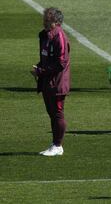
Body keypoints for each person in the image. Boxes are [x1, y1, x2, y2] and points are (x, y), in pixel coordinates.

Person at [30, 8, 70, 156]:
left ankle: (58, 145)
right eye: (44, 20)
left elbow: (61, 63)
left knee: (57, 113)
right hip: (49, 81)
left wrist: (40, 71)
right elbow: (47, 59)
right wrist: (39, 66)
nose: (45, 23)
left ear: (57, 22)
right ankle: (55, 144)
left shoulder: (59, 36)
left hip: (57, 83)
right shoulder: (45, 35)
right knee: (52, 113)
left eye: (48, 21)